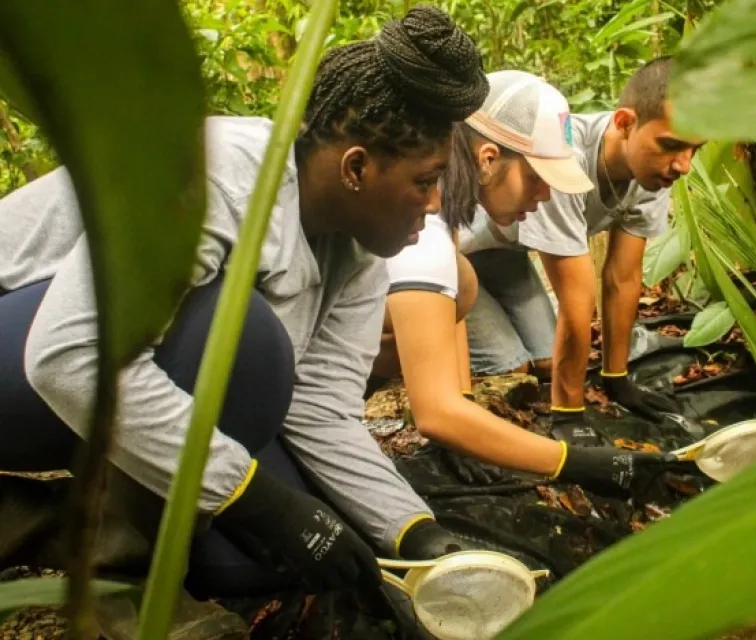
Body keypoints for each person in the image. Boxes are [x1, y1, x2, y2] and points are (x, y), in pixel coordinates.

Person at [0, 6, 488, 635]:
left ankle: (54, 525)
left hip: (77, 392)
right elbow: (69, 356)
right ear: (357, 167)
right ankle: (127, 593)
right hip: (27, 353)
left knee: (249, 559)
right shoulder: (217, 176)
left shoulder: (361, 252)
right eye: (425, 181)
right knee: (244, 340)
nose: (434, 203)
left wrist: (416, 532)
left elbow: (321, 407)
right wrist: (256, 500)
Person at [370, 69, 688, 496]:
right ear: (486, 159)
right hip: (314, 337)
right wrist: (573, 461)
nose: (544, 197)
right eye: (537, 179)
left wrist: (616, 376)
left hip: (467, 272)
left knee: (467, 293)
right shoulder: (423, 230)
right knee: (501, 355)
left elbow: (448, 308)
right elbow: (437, 414)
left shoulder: (447, 210)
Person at [460, 56, 706, 443]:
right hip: (456, 258)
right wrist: (568, 411)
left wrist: (616, 377)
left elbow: (622, 279)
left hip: (507, 255)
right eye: (672, 145)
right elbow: (578, 296)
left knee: (546, 359)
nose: (684, 165)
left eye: (696, 149)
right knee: (516, 367)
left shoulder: (654, 170)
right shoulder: (559, 158)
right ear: (625, 123)